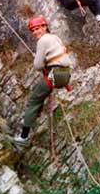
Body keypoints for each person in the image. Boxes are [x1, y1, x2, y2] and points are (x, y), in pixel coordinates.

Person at [13, 16, 72, 148]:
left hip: (55, 75)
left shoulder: (43, 40)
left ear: (45, 27)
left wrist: (40, 60)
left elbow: (38, 65)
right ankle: (34, 114)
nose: (35, 32)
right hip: (64, 74)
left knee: (33, 101)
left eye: (38, 28)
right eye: (33, 30)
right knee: (39, 96)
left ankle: (24, 137)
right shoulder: (54, 37)